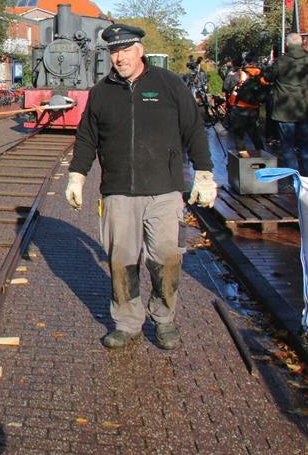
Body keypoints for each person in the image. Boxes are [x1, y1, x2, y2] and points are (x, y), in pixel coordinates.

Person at [65, 24, 214, 351]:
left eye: (126, 50)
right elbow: (87, 137)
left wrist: (204, 173)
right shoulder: (102, 92)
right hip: (118, 193)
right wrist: (77, 175)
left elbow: (194, 129)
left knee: (167, 258)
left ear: (140, 50)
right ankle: (127, 323)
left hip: (164, 191)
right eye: (114, 52)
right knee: (122, 261)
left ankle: (163, 318)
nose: (120, 58)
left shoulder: (169, 84)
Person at [266, 32, 308, 175]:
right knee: (305, 145)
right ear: (301, 44)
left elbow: (269, 77)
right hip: (304, 108)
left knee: (287, 146)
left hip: (285, 110)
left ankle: (295, 178)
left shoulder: (281, 61)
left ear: (287, 45)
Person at [225, 54, 269, 152]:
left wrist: (230, 75)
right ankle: (262, 155)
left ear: (246, 61)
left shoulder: (239, 73)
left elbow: (227, 87)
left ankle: (242, 158)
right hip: (254, 108)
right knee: (254, 133)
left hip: (239, 108)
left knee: (239, 135)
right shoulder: (261, 74)